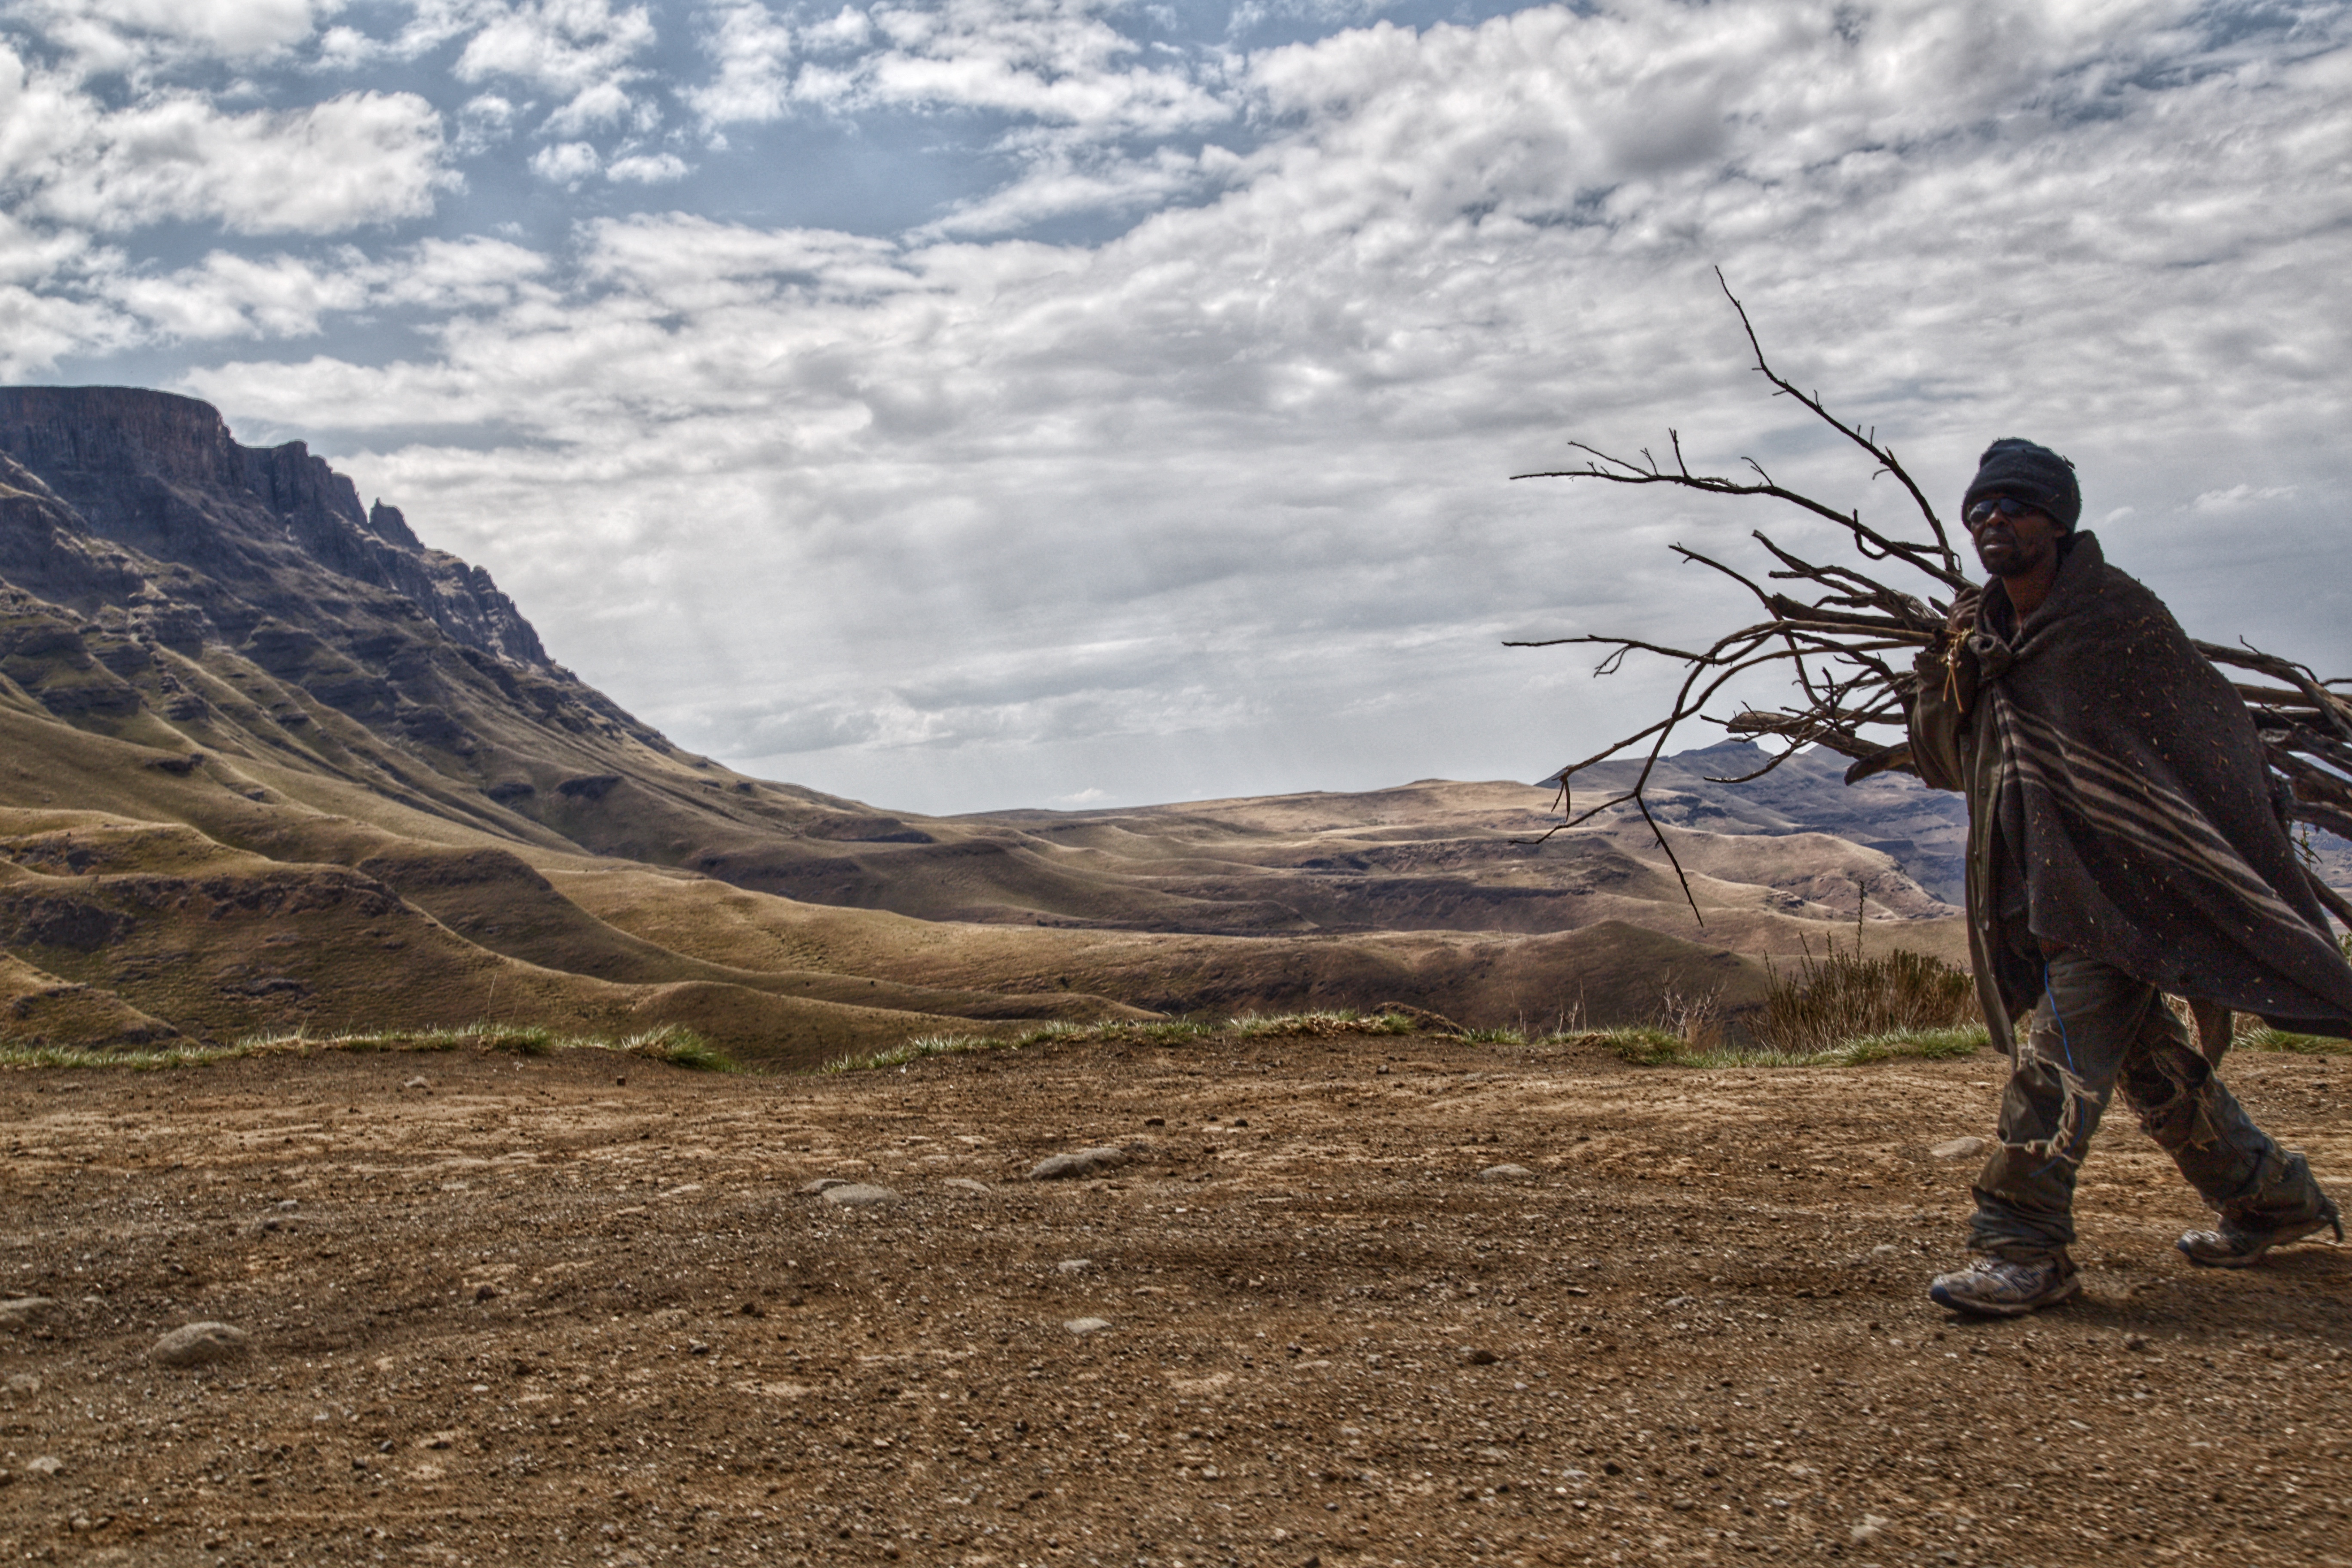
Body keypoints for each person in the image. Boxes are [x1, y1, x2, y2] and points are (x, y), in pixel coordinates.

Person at [1905, 438, 2352, 1317]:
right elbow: (1947, 762)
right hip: (2043, 890)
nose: (1994, 520)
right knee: (2153, 1071)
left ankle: (2021, 1246)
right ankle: (2273, 1202)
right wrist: (1946, 669)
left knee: (2054, 1072)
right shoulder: (1988, 633)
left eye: (2015, 506)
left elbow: (2205, 740)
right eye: (1981, 509)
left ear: (2059, 521)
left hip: (2127, 896)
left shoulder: (2115, 619)